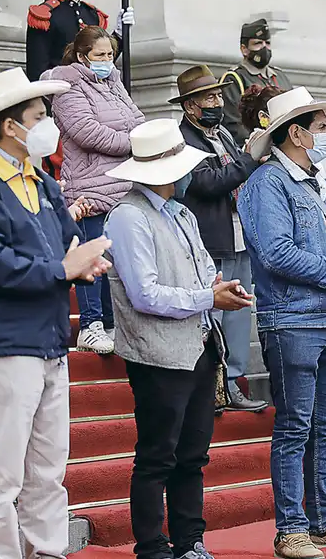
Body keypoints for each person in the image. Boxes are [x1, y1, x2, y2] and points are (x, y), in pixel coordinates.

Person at [0, 67, 111, 559]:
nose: (48, 125)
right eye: (39, 116)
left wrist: (81, 263)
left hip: (49, 337)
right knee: (2, 470)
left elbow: (63, 245)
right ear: (11, 126)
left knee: (47, 468)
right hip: (4, 341)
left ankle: (47, 551)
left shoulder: (41, 180)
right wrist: (63, 269)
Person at [238, 87, 326, 559]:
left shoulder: (314, 183)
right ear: (297, 133)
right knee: (296, 427)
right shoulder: (268, 184)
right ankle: (291, 529)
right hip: (293, 320)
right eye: (321, 127)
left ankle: (324, 521)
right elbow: (276, 253)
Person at [104, 119, 250, 559]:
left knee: (193, 455)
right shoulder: (128, 217)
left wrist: (220, 291)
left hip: (200, 346)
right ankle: (152, 546)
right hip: (156, 353)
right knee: (157, 455)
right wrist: (209, 295)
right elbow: (144, 294)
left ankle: (190, 541)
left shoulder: (182, 212)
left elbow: (205, 269)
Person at [173, 64, 267, 412]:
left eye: (217, 94)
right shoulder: (183, 139)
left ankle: (233, 384)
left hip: (239, 235)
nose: (217, 101)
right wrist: (250, 157)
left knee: (239, 315)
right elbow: (208, 183)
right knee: (211, 315)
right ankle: (209, 389)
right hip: (210, 238)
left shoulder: (223, 134)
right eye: (207, 97)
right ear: (189, 106)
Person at [47, 26, 146, 354]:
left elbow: (138, 119)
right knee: (92, 255)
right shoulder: (67, 86)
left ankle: (111, 321)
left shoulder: (113, 82)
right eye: (100, 56)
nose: (107, 62)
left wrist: (136, 138)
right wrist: (132, 143)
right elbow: (86, 131)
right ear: (81, 56)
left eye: (110, 56)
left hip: (123, 183)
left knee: (115, 260)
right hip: (89, 186)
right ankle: (90, 325)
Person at [26, 0, 134, 81]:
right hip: (61, 92)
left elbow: (102, 60)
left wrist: (119, 35)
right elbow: (37, 71)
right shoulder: (45, 16)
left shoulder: (92, 14)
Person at [220, 18, 294, 146]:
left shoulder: (280, 76)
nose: (264, 47)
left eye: (268, 43)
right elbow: (234, 125)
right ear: (244, 49)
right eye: (258, 43)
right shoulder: (234, 78)